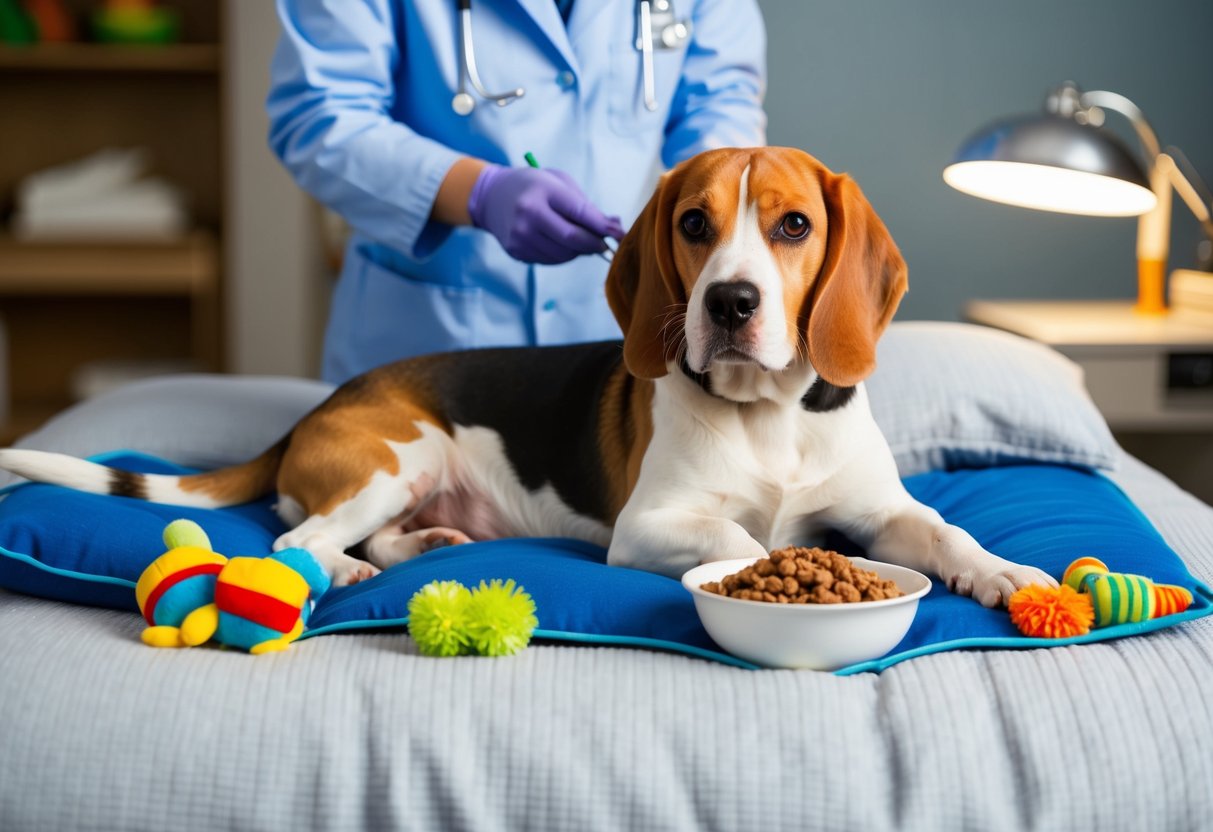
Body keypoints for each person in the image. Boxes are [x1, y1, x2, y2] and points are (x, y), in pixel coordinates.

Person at [268, 0, 767, 384]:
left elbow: (720, 102)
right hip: (428, 345)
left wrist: (712, 219)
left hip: (613, 334)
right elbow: (319, 116)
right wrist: (479, 193)